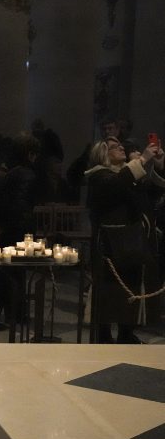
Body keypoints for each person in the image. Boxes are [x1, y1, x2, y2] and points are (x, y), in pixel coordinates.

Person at [85, 137, 165, 343]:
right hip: (110, 246)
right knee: (110, 293)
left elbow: (152, 193)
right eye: (114, 147)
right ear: (103, 155)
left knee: (129, 288)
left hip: (132, 243)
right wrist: (141, 160)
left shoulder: (127, 176)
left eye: (120, 145)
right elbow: (115, 184)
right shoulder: (99, 176)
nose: (121, 148)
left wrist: (157, 166)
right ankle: (103, 335)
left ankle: (126, 333)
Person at [0, 133, 41, 331]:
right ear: (31, 154)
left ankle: (15, 313)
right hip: (18, 229)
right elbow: (21, 206)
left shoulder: (12, 172)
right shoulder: (27, 175)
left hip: (10, 227)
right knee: (10, 273)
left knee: (11, 272)